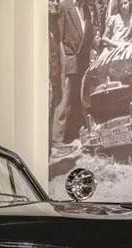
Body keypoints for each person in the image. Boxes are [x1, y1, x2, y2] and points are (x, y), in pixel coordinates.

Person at [52, 0, 97, 148]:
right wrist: (63, 63)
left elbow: (88, 36)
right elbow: (60, 38)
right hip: (70, 60)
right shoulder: (65, 6)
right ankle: (57, 141)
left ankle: (73, 135)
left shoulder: (87, 10)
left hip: (84, 62)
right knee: (65, 100)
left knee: (79, 100)